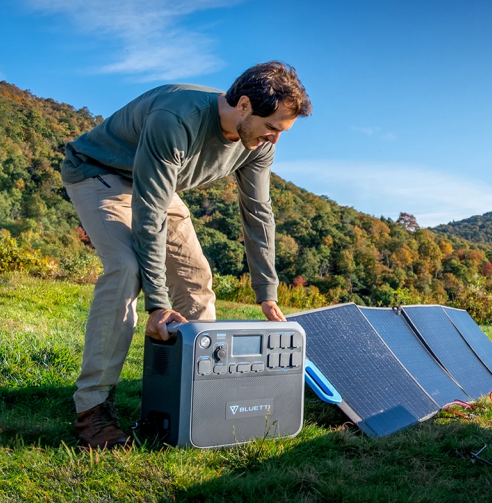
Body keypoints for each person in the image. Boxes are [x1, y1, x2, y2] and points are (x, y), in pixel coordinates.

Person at [60, 61, 311, 448]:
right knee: (127, 269)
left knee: (197, 280)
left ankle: (195, 398)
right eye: (273, 127)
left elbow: (258, 214)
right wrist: (157, 304)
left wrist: (267, 293)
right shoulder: (176, 118)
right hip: (102, 175)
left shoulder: (256, 145)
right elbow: (149, 213)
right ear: (244, 105)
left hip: (161, 188)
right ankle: (92, 412)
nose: (275, 139)